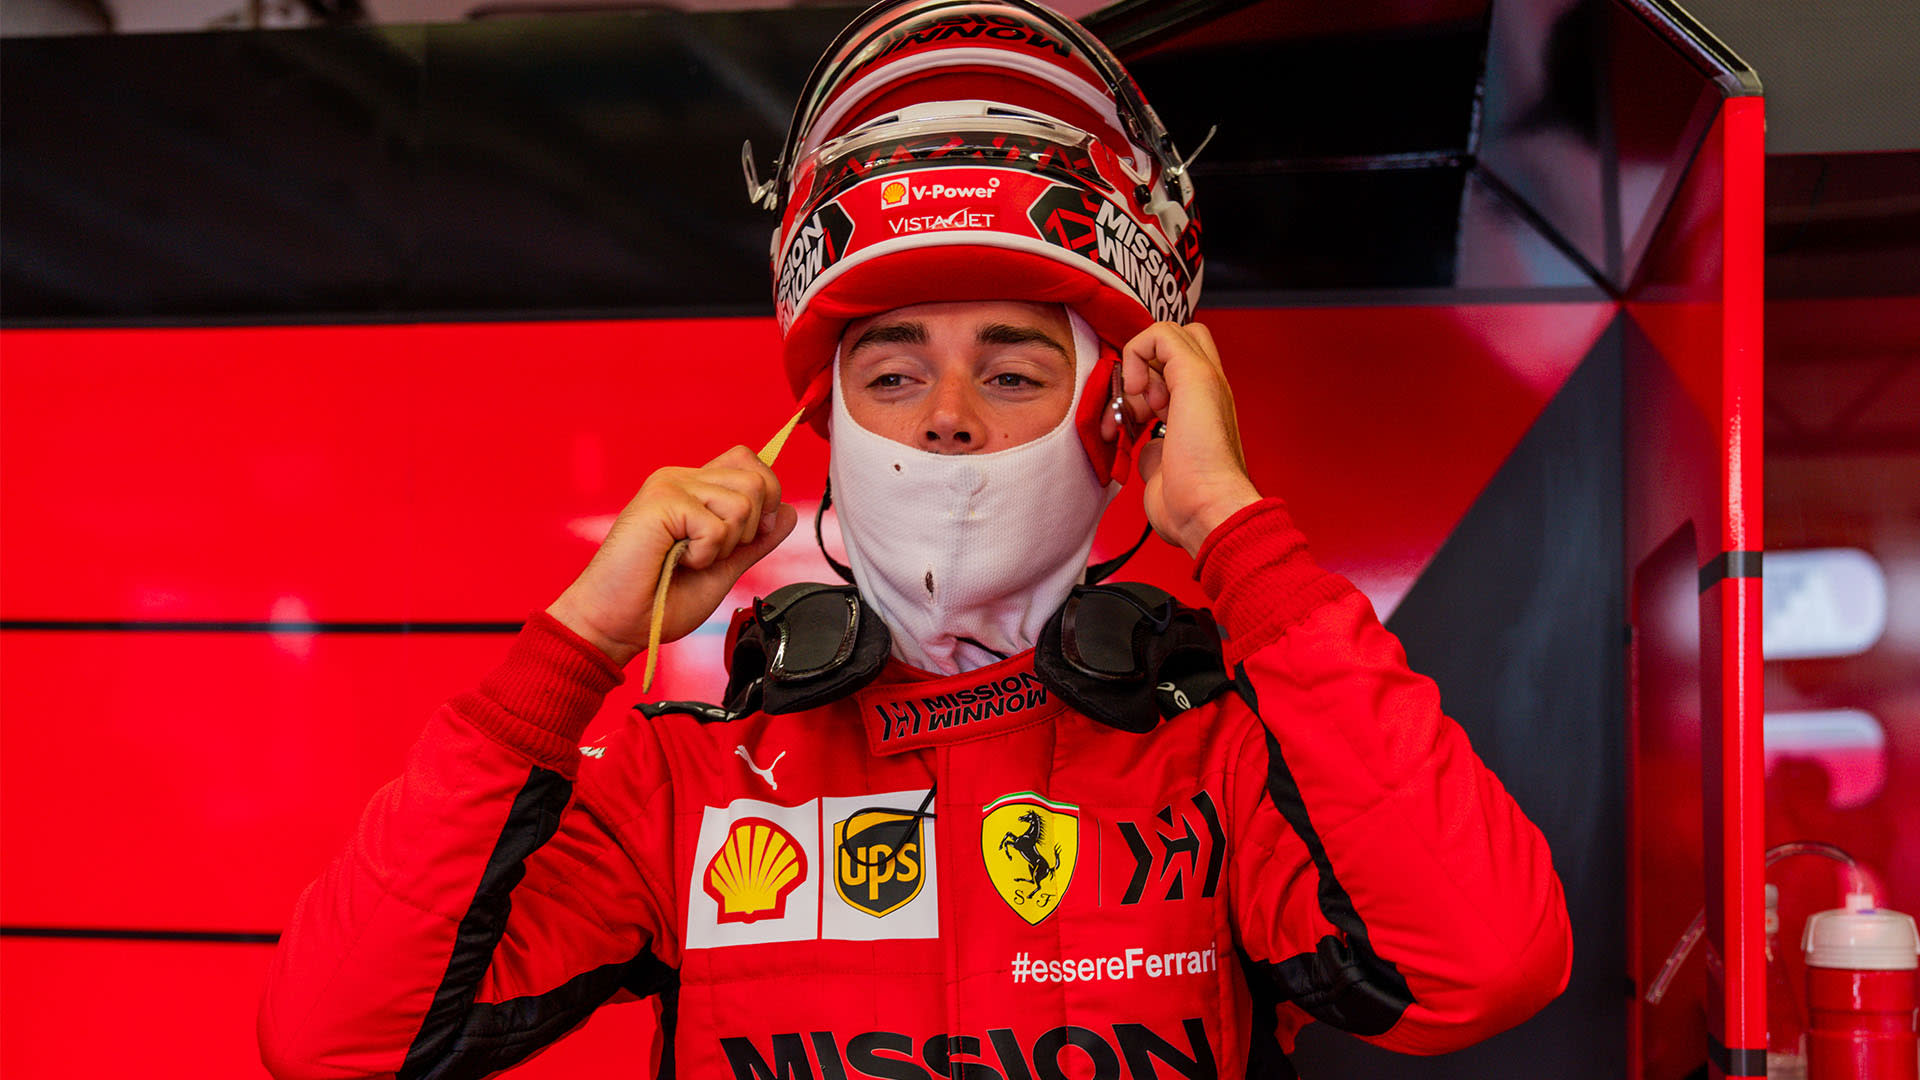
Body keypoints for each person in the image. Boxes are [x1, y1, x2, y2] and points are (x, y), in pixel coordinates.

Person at [258, 3, 1573, 1077]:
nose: (946, 417)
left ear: (1121, 423)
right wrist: (581, 645)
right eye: (891, 375)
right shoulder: (689, 785)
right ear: (825, 427)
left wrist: (1233, 526)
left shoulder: (1219, 762)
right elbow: (335, 1040)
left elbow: (1486, 963)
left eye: (1011, 373)